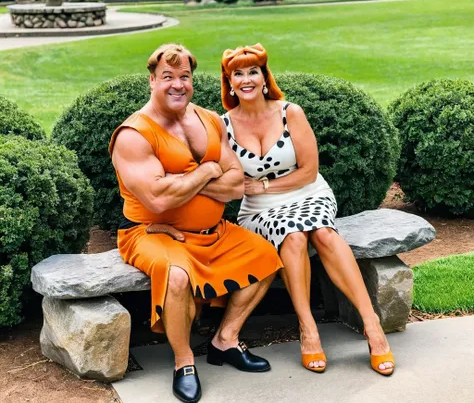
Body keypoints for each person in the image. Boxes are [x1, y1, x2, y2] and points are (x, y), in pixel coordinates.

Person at [109, 43, 283, 403]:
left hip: (215, 233)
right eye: (168, 77)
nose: (178, 85)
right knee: (176, 277)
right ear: (152, 81)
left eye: (185, 77)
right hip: (151, 233)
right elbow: (157, 200)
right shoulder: (133, 135)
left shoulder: (208, 119)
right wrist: (206, 169)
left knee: (266, 256)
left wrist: (181, 180)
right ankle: (184, 362)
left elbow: (236, 185)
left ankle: (225, 341)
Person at [219, 43, 395, 377]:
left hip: (309, 194)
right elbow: (230, 180)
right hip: (260, 210)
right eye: (237, 73)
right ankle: (308, 327)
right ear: (228, 82)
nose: (246, 79)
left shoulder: (290, 112)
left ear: (264, 77)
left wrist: (265, 184)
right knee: (295, 237)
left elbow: (309, 172)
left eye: (252, 72)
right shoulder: (223, 125)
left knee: (324, 233)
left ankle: (372, 325)